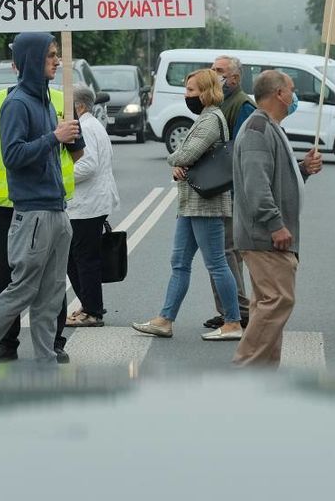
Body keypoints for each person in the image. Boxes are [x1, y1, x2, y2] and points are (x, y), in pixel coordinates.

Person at [0, 32, 84, 366]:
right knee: (22, 290)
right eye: (50, 55)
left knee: (52, 296)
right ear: (30, 61)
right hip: (33, 214)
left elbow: (67, 152)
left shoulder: (44, 100)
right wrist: (54, 137)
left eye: (57, 54)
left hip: (56, 210)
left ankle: (45, 361)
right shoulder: (16, 103)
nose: (57, 61)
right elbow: (11, 155)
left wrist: (63, 139)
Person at [134, 69, 243, 340]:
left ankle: (232, 322)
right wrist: (179, 162)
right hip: (191, 203)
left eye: (192, 90)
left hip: (206, 203)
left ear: (206, 92)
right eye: (186, 90)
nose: (187, 96)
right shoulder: (204, 117)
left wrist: (175, 160)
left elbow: (188, 153)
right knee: (179, 262)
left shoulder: (211, 119)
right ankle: (164, 320)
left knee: (217, 263)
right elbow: (186, 156)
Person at [230, 70, 323, 367]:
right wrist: (275, 224)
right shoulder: (258, 128)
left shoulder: (270, 126)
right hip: (264, 236)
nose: (294, 96)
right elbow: (255, 185)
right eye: (292, 90)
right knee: (278, 301)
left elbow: (274, 177)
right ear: (279, 94)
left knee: (266, 304)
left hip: (266, 234)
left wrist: (303, 169)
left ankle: (263, 379)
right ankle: (245, 369)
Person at [206, 55, 256, 330]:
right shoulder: (220, 102)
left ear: (234, 78)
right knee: (225, 252)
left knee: (224, 251)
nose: (214, 74)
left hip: (230, 189)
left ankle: (238, 311)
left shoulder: (243, 105)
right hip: (222, 188)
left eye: (220, 71)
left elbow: (237, 150)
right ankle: (229, 309)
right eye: (213, 69)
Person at [66, 84, 118, 329]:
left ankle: (92, 310)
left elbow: (88, 166)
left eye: (68, 104)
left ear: (80, 106)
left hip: (87, 205)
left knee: (83, 259)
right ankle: (89, 304)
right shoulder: (91, 124)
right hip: (90, 202)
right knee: (76, 257)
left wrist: (59, 176)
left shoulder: (85, 127)